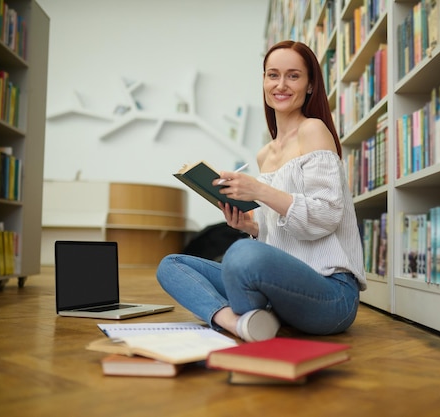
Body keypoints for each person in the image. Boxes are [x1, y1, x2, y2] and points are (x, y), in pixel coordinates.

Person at [156, 40, 366, 342]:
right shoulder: (264, 154)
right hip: (282, 291)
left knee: (241, 253)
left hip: (331, 294)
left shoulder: (314, 130)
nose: (281, 84)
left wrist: (260, 191)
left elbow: (326, 217)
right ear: (264, 81)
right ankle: (238, 323)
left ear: (309, 85)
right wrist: (253, 227)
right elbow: (282, 239)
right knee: (172, 265)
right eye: (272, 75)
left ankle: (248, 316)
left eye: (293, 75)